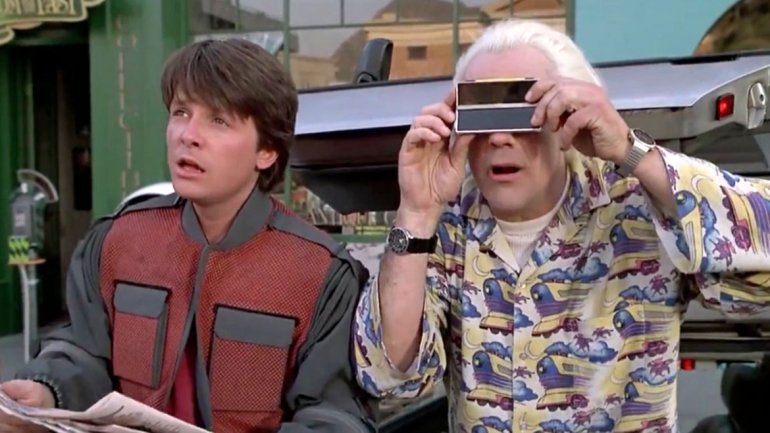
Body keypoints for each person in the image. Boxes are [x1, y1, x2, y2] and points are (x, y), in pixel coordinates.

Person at [352, 18, 770, 433]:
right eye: (481, 113)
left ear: (570, 116)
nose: (498, 138)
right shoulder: (446, 229)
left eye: (523, 111)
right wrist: (416, 213)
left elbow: (758, 274)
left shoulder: (639, 207)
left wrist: (631, 152)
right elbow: (389, 377)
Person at [0, 38, 375, 433]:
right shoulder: (117, 241)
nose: (188, 135)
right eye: (180, 112)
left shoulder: (319, 272)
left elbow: (334, 417)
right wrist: (46, 389)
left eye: (218, 120)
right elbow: (83, 349)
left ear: (266, 151)